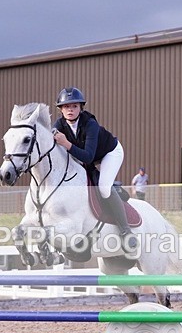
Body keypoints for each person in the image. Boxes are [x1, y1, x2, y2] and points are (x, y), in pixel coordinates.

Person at [52, 87, 137, 251]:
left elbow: (89, 157)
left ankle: (126, 232)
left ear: (80, 108)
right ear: (61, 109)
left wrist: (66, 143)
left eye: (74, 106)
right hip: (85, 155)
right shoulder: (59, 125)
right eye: (66, 106)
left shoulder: (90, 124)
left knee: (104, 188)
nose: (70, 110)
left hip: (109, 152)